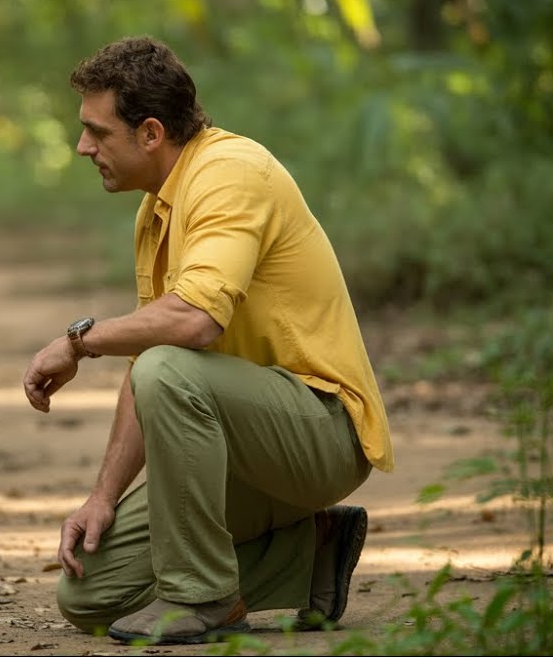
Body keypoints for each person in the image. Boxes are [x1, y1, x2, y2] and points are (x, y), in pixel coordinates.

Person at [22, 36, 394, 646]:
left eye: (96, 131)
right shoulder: (156, 209)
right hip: (233, 442)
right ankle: (313, 554)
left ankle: (206, 598)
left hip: (321, 431)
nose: (83, 146)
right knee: (89, 593)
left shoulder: (229, 173)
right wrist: (102, 496)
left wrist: (79, 342)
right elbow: (152, 358)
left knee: (168, 366)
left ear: (149, 133)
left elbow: (193, 324)